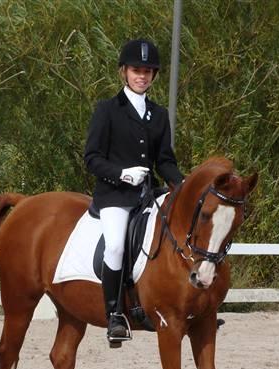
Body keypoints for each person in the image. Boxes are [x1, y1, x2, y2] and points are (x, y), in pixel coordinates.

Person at [84, 38, 185, 345]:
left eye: (147, 71)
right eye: (136, 70)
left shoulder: (158, 114)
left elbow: (164, 161)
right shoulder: (108, 110)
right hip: (114, 196)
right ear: (124, 72)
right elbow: (92, 158)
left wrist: (183, 187)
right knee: (115, 246)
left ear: (154, 76)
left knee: (177, 236)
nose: (141, 76)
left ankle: (183, 305)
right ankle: (114, 314)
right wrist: (121, 174)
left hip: (146, 196)